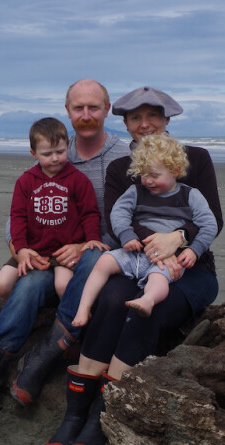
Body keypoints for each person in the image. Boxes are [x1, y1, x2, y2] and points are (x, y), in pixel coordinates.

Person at [46, 87, 224, 445]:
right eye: (136, 118)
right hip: (137, 260)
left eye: (153, 116)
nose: (145, 124)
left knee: (148, 310)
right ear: (125, 123)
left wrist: (178, 238)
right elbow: (118, 223)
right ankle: (74, 415)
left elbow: (212, 219)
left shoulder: (197, 159)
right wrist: (155, 244)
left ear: (167, 120)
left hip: (192, 269)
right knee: (112, 300)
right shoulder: (120, 169)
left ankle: (101, 414)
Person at [0, 80, 130, 422]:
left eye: (94, 107)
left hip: (98, 253)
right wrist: (20, 250)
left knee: (91, 258)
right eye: (79, 108)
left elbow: (125, 216)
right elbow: (19, 216)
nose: (86, 114)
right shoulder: (55, 147)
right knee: (28, 284)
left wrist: (82, 244)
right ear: (68, 112)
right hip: (46, 252)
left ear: (108, 110)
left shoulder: (123, 157)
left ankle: (43, 356)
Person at [72, 133, 217, 327]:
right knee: (104, 262)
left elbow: (209, 224)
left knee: (159, 279)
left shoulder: (190, 195)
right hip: (135, 254)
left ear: (176, 170)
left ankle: (148, 300)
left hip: (168, 260)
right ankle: (83, 307)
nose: (148, 181)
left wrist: (194, 249)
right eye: (144, 174)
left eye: (155, 175)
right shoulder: (135, 192)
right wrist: (127, 235)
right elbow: (118, 213)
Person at [0, 117, 107, 303]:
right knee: (2, 283)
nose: (55, 158)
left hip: (63, 250)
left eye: (60, 152)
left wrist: (92, 239)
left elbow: (90, 213)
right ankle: (34, 315)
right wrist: (21, 249)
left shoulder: (78, 180)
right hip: (34, 249)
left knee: (63, 286)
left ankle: (68, 321)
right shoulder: (25, 181)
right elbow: (17, 216)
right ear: (34, 154)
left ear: (68, 147)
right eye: (47, 154)